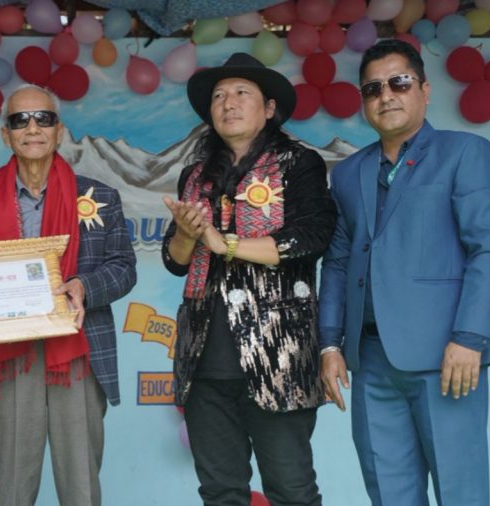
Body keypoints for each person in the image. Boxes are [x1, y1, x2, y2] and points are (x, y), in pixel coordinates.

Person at [318, 39, 490, 505]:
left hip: (447, 357)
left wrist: (470, 338)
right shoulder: (347, 174)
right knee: (389, 495)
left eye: (399, 82)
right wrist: (329, 343)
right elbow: (338, 262)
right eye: (373, 88)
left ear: (424, 90)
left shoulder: (465, 153)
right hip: (370, 361)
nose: (386, 95)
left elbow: (488, 251)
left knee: (460, 493)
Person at [162, 52, 335, 506]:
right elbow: (175, 261)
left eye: (242, 93)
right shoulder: (194, 176)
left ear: (269, 108)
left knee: (292, 492)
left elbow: (311, 238)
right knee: (220, 493)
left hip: (279, 355)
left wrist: (226, 244)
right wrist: (186, 235)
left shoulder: (297, 163)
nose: (228, 103)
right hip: (204, 360)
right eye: (219, 96)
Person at [0, 84, 136, 506]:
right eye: (20, 120)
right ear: (6, 135)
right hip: (10, 354)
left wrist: (84, 287)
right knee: (13, 486)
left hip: (77, 349)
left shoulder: (99, 197)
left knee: (81, 486)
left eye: (44, 118)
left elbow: (123, 268)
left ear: (59, 131)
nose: (33, 128)